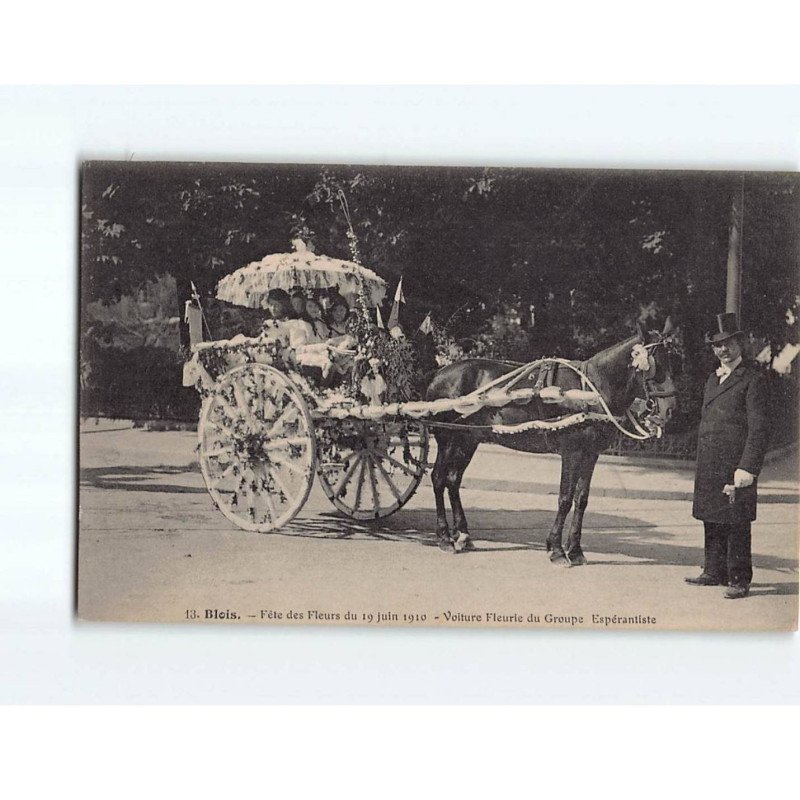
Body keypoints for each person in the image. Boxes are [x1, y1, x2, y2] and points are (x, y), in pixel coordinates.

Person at [686, 312, 769, 600]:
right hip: (710, 463)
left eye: (729, 343)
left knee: (736, 522)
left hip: (735, 464)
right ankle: (713, 571)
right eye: (718, 344)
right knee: (712, 517)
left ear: (740, 344)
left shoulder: (752, 379)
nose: (723, 349)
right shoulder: (712, 379)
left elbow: (759, 428)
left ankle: (739, 578)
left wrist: (748, 466)